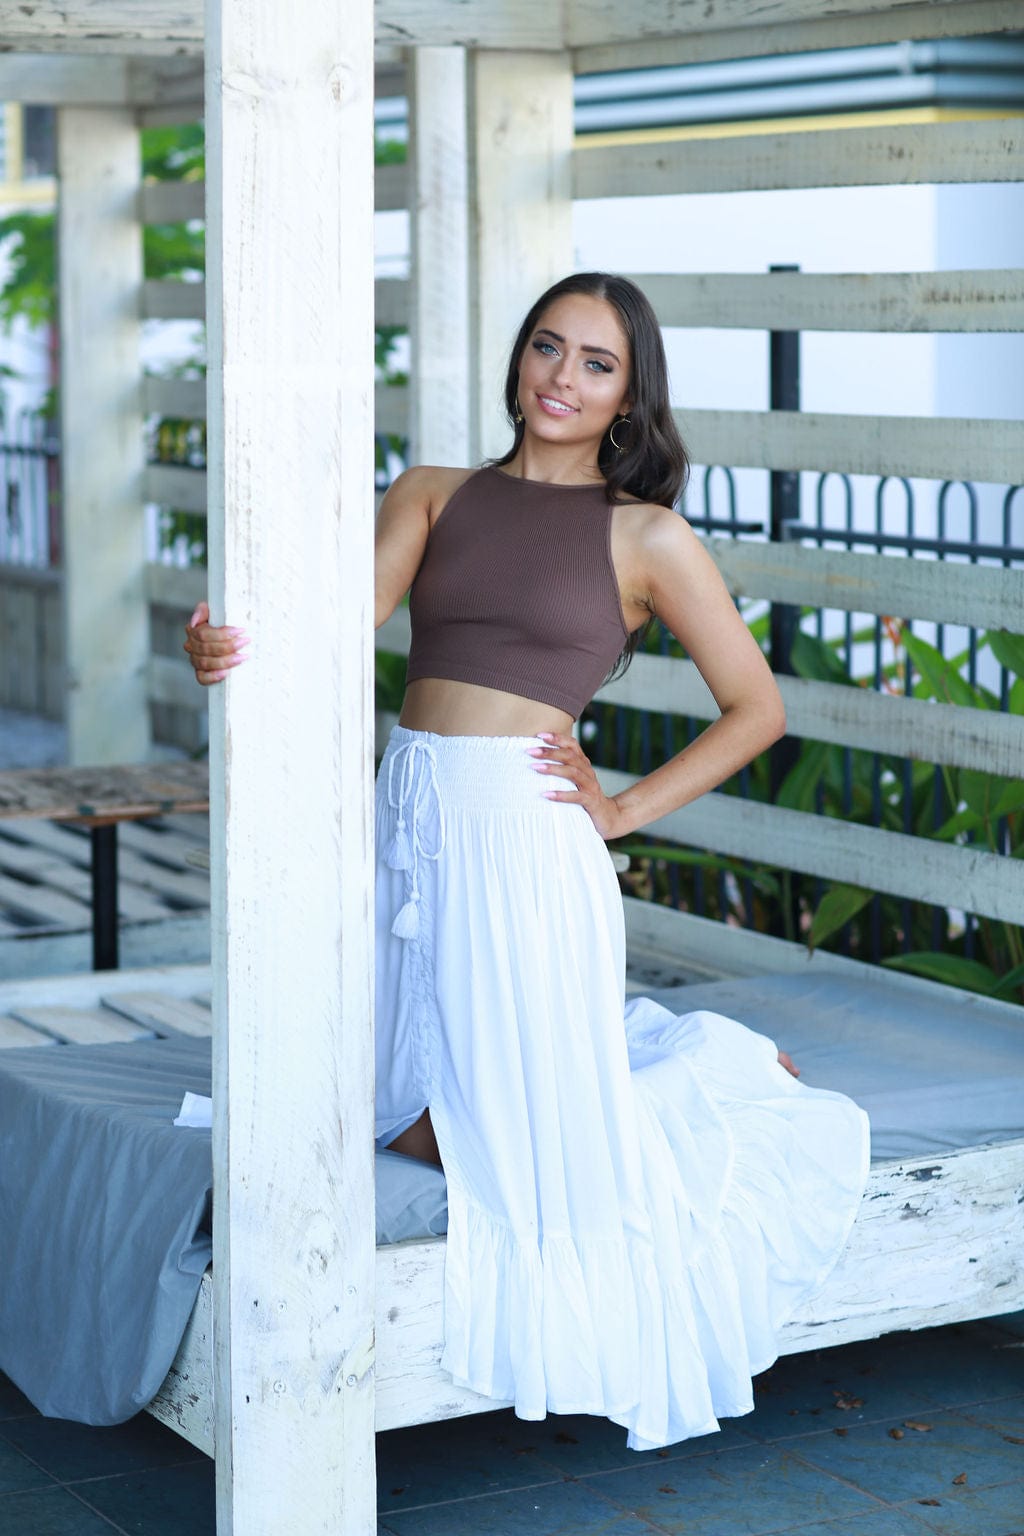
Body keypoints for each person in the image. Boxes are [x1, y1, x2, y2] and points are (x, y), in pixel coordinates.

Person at [185, 271, 869, 1452]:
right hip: (405, 825)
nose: (562, 377)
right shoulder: (433, 492)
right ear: (519, 359)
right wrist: (220, 646)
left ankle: (708, 1072)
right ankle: (655, 1063)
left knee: (509, 1140)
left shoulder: (645, 535)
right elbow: (328, 635)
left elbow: (757, 709)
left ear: (628, 397)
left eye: (597, 363)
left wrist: (624, 809)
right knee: (388, 1104)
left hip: (526, 843)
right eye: (548, 347)